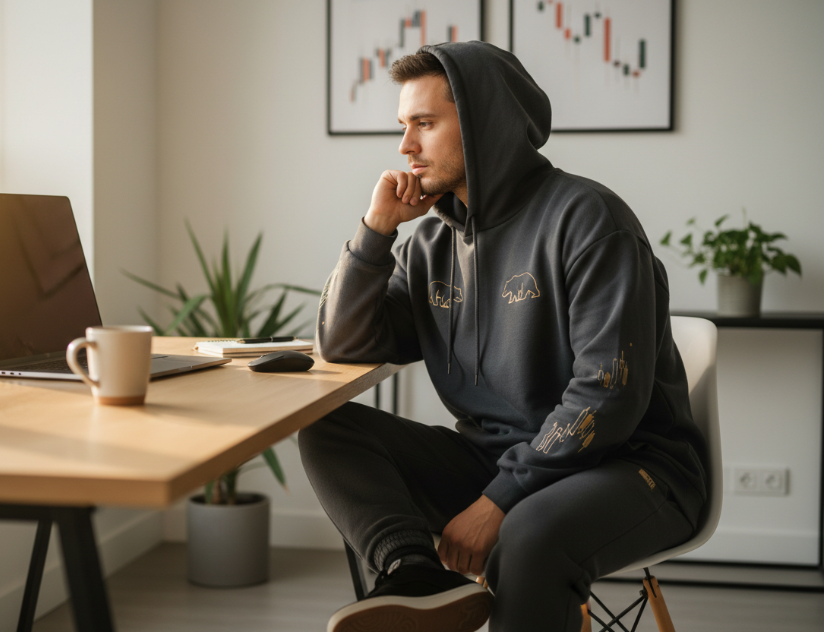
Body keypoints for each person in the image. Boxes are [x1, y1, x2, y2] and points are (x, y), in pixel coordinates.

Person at [299, 42, 707, 632]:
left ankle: (496, 533)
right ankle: (417, 577)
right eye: (402, 126)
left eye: (425, 124)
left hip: (632, 467)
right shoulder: (432, 244)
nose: (405, 146)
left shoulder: (589, 219)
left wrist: (500, 501)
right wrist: (375, 231)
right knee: (322, 422)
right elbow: (345, 345)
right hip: (495, 460)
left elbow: (607, 394)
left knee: (529, 535)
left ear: (484, 122)